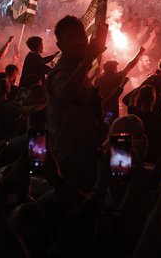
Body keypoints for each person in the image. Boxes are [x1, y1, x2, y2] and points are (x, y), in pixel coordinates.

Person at [46, 15, 106, 191]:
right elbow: (64, 95)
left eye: (81, 36)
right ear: (60, 45)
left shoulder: (79, 72)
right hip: (69, 161)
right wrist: (87, 60)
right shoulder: (60, 73)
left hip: (86, 155)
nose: (80, 42)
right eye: (71, 37)